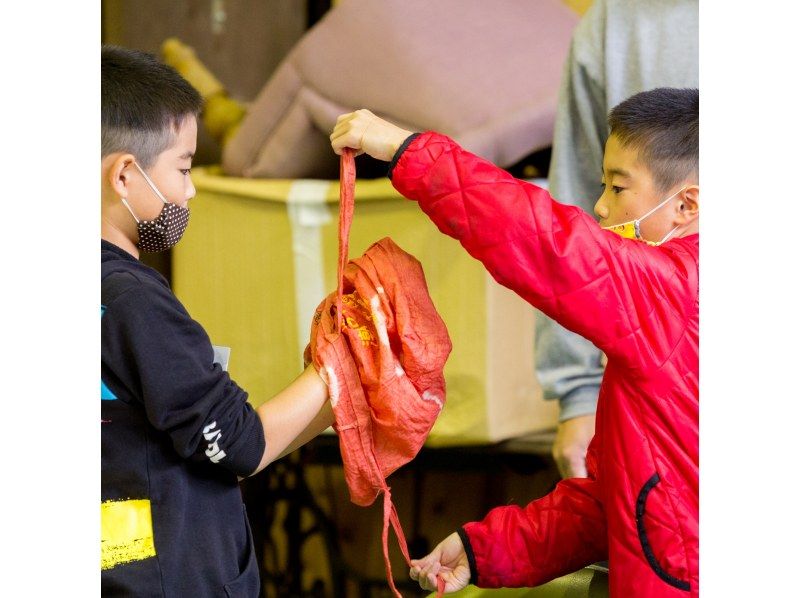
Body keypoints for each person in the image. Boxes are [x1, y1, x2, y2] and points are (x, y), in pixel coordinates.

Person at [330, 87, 699, 596]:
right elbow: (616, 505)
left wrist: (406, 150)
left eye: (617, 187)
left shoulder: (676, 292)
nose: (600, 205)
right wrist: (484, 549)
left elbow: (544, 239)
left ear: (685, 204)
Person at [101, 45, 333, 597]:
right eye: (183, 168)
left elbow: (202, 431)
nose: (190, 190)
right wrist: (339, 368)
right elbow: (236, 443)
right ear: (126, 176)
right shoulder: (132, 300)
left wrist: (331, 405)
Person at [543, 0, 699, 479]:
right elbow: (574, 215)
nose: (603, 203)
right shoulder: (613, 21)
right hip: (651, 408)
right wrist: (580, 394)